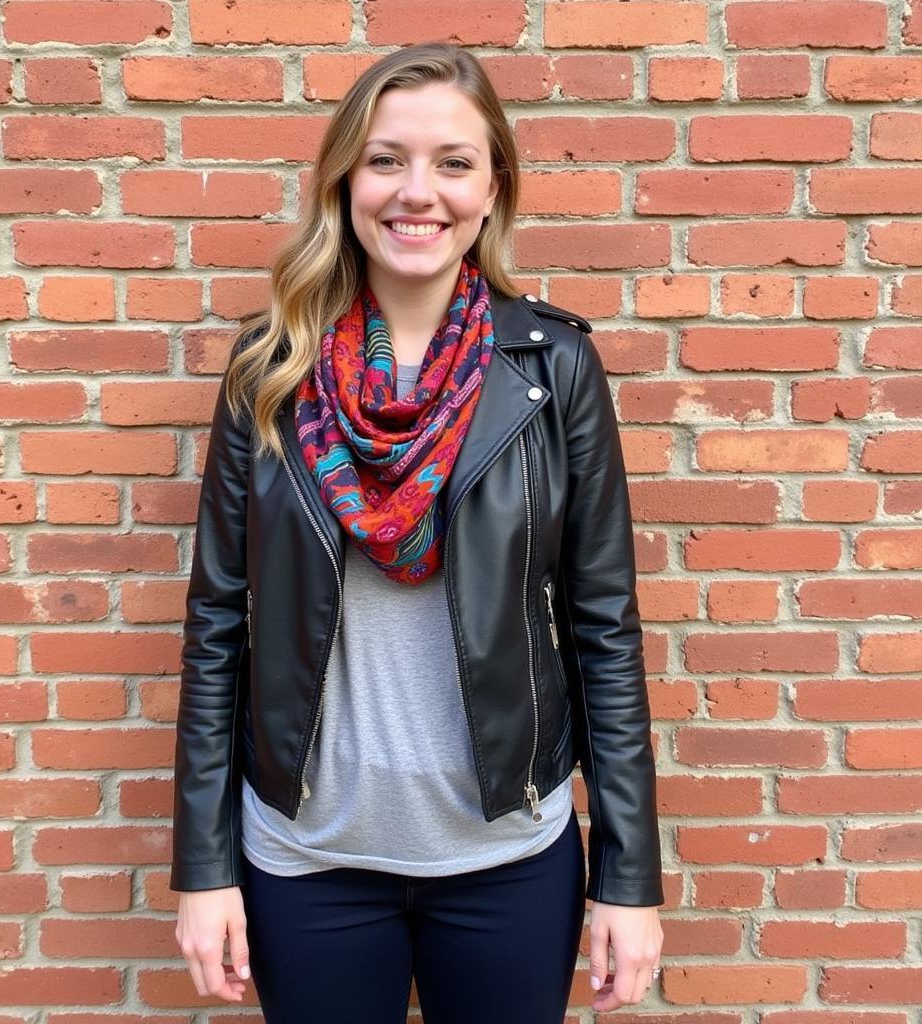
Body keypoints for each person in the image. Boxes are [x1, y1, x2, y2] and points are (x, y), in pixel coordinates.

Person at [170, 42, 665, 1024]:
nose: (416, 191)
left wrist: (627, 876)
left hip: (503, 861)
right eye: (386, 158)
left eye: (451, 162)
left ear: (493, 189)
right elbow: (218, 619)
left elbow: (604, 623)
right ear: (344, 181)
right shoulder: (270, 370)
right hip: (306, 860)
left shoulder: (551, 369)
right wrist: (204, 867)